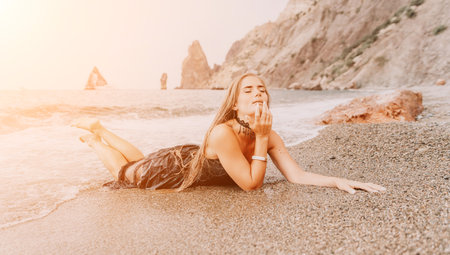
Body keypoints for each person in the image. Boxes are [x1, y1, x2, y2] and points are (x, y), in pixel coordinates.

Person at [72, 73, 386, 193]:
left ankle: (102, 129)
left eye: (262, 89)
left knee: (139, 159)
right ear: (236, 105)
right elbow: (251, 184)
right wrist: (262, 137)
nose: (258, 93)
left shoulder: (269, 135)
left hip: (184, 159)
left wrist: (336, 180)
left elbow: (297, 175)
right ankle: (94, 138)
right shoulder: (224, 133)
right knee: (124, 171)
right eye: (248, 90)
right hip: (173, 168)